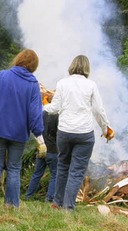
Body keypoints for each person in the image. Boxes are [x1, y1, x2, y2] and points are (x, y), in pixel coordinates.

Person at [44, 55, 114, 210]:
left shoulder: (62, 83)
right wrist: (105, 129)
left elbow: (54, 109)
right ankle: (68, 207)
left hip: (64, 132)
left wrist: (44, 105)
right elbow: (98, 110)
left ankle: (57, 202)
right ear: (87, 69)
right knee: (76, 171)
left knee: (63, 166)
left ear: (72, 66)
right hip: (84, 134)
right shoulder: (91, 85)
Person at [0, 49, 47, 211]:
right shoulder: (33, 84)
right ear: (34, 65)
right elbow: (35, 114)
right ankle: (11, 205)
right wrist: (40, 138)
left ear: (18, 59)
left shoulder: (2, 75)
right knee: (13, 168)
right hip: (18, 134)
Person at [25, 93, 59, 202]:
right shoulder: (58, 115)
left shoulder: (43, 113)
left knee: (37, 174)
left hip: (42, 148)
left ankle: (28, 196)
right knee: (55, 175)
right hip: (53, 149)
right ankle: (49, 199)